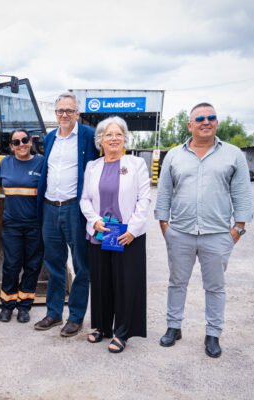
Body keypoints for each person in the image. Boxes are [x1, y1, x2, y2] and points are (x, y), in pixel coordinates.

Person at [155, 102, 253, 358]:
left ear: (216, 122)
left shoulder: (233, 154)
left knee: (215, 286)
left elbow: (242, 193)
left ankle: (213, 333)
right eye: (200, 119)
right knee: (177, 283)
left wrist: (238, 229)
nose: (206, 122)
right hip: (180, 232)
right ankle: (173, 327)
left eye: (211, 117)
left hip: (218, 234)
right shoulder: (174, 155)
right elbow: (164, 192)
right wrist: (164, 225)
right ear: (190, 125)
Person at [79, 116, 150, 353]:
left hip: (126, 235)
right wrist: (94, 221)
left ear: (125, 138)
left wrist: (132, 230)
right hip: (101, 233)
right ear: (100, 140)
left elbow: (144, 199)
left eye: (118, 134)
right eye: (108, 134)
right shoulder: (92, 166)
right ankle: (101, 327)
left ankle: (122, 332)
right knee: (101, 283)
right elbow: (85, 199)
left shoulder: (136, 164)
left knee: (125, 283)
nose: (113, 138)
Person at [34, 92, 97, 337]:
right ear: (55, 113)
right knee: (54, 263)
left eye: (69, 110)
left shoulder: (88, 136)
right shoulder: (50, 138)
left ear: (77, 114)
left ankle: (76, 316)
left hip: (74, 208)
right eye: (60, 110)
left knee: (81, 265)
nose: (64, 114)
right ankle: (54, 313)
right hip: (50, 206)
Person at [0, 129, 44, 323]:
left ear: (30, 142)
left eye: (24, 140)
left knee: (32, 265)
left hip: (35, 225)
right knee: (11, 265)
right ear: (11, 146)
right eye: (16, 142)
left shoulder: (41, 162)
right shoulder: (5, 163)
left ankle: (24, 306)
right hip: (12, 225)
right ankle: (7, 305)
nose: (21, 144)